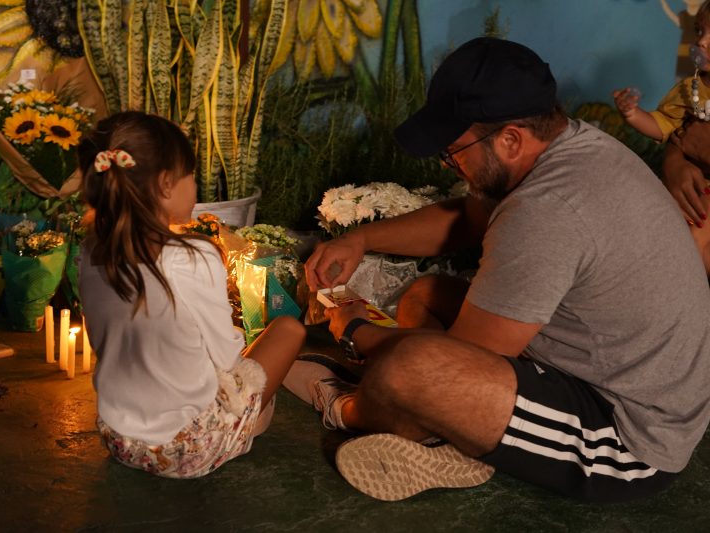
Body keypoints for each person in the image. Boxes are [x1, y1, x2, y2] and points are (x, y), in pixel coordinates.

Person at [288, 37, 710, 503]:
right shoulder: (566, 142)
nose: (450, 162)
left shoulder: (548, 210)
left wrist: (355, 332)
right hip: (589, 363)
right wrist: (360, 238)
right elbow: (468, 219)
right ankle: (445, 436)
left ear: (510, 139)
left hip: (625, 435)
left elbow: (459, 356)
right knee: (425, 294)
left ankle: (346, 407)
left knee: (410, 370)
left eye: (454, 151)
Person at [77, 111, 305, 478]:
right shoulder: (193, 256)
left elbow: (106, 341)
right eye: (191, 176)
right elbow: (227, 357)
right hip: (189, 449)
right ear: (166, 184)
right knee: (288, 332)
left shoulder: (90, 251)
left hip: (119, 438)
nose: (194, 185)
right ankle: (245, 431)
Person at [614, 1, 710, 228]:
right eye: (700, 31)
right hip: (694, 194)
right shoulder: (690, 89)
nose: (701, 41)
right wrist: (633, 114)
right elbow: (664, 124)